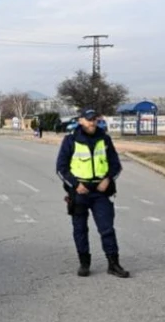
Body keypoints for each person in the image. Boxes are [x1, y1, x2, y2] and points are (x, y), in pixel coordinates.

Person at [56, 108, 130, 278]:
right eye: (89, 119)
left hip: (101, 192)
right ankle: (84, 263)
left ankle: (113, 264)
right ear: (80, 120)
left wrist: (108, 179)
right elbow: (61, 168)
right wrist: (75, 185)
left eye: (95, 119)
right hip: (79, 193)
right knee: (80, 229)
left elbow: (116, 165)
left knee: (107, 229)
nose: (92, 123)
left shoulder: (104, 139)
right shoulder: (71, 140)